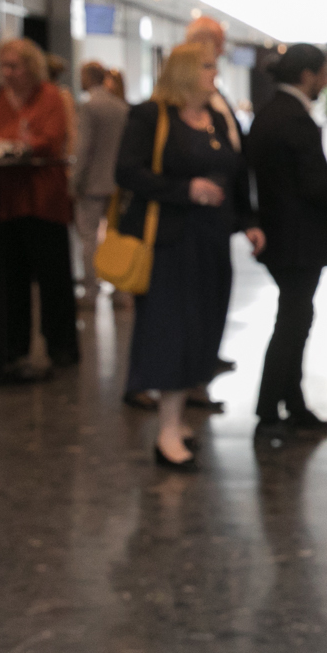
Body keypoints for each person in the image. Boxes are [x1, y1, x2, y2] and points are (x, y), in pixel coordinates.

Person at [116, 42, 263, 468]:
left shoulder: (215, 118)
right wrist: (186, 190)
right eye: (206, 67)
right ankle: (167, 431)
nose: (214, 74)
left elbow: (235, 175)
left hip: (210, 240)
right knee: (173, 331)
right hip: (170, 243)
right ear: (183, 72)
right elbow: (127, 172)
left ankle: (177, 420)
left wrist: (248, 220)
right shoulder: (151, 116)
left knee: (203, 326)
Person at [245, 42, 327, 441]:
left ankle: (291, 404)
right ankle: (270, 409)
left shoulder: (269, 114)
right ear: (307, 75)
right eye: (323, 73)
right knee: (293, 323)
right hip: (299, 241)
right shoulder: (294, 120)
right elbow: (312, 186)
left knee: (295, 318)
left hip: (281, 237)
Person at [0, 37, 79, 377]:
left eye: (14, 66)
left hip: (43, 200)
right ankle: (12, 346)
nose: (8, 73)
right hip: (7, 200)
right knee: (10, 280)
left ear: (31, 67)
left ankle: (61, 346)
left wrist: (4, 142)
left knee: (53, 278)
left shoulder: (51, 97)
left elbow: (49, 140)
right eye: (4, 67)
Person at [71, 62, 130, 305]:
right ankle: (120, 289)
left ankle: (91, 289)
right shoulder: (121, 107)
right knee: (116, 236)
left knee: (88, 237)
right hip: (117, 182)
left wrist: (75, 181)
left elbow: (84, 148)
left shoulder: (89, 107)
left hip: (92, 182)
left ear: (87, 77)